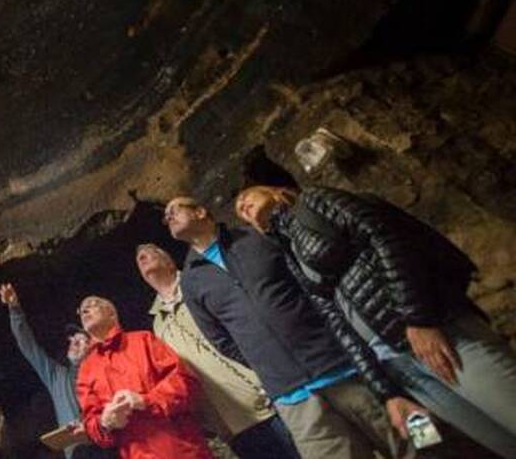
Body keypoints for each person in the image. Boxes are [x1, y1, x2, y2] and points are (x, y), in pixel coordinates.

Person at [235, 184, 516, 458]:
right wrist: (386, 392)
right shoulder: (290, 252)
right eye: (239, 211)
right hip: (396, 364)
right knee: (496, 443)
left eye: (247, 196)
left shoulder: (314, 200)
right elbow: (335, 319)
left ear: (274, 190)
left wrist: (418, 319)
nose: (242, 205)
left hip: (433, 332)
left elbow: (387, 238)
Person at [165, 196, 418, 459]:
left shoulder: (255, 238)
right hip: (293, 397)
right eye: (166, 216)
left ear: (200, 211)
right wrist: (271, 364)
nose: (168, 217)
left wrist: (331, 339)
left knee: (416, 443)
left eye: (175, 209)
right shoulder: (192, 281)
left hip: (342, 366)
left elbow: (310, 287)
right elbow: (222, 341)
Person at [135, 244, 301, 458]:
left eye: (152, 252)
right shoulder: (158, 324)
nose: (144, 257)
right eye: (140, 259)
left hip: (266, 400)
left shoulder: (200, 284)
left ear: (169, 260)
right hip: (230, 424)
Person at [73, 294, 213, 458]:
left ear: (111, 313)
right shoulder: (86, 370)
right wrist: (105, 422)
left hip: (184, 451)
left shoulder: (144, 340)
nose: (85, 310)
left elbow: (186, 381)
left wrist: (146, 401)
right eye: (82, 310)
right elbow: (90, 423)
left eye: (92, 304)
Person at [0, 282, 110, 458]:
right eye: (71, 339)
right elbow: (29, 347)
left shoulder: (104, 370)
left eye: (81, 339)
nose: (73, 342)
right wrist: (15, 309)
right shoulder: (58, 377)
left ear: (93, 346)